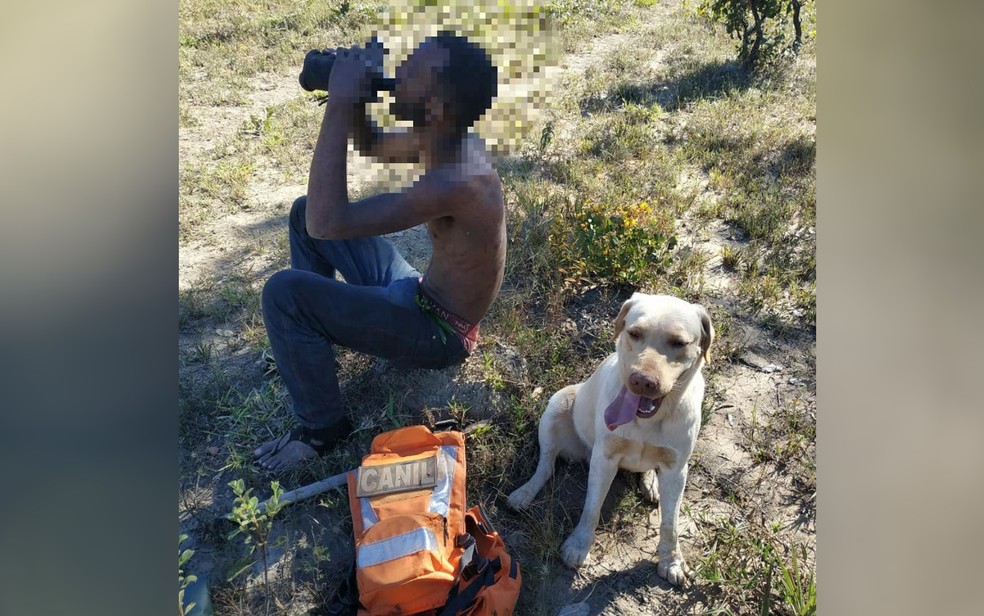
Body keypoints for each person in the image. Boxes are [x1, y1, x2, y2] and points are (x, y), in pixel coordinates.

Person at [254, 32, 504, 471]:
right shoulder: (445, 135)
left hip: (439, 332)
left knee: (284, 293)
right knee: (300, 214)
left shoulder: (460, 178)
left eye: (412, 72)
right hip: (419, 292)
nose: (398, 73)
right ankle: (309, 346)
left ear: (437, 107)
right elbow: (371, 145)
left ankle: (322, 429)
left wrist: (339, 101)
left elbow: (328, 221)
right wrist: (355, 100)